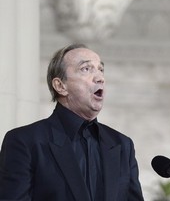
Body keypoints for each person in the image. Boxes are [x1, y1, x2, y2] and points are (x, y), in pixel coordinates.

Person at [0, 44, 144, 201]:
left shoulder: (123, 145)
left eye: (100, 69)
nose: (100, 78)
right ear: (60, 86)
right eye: (86, 69)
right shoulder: (25, 141)